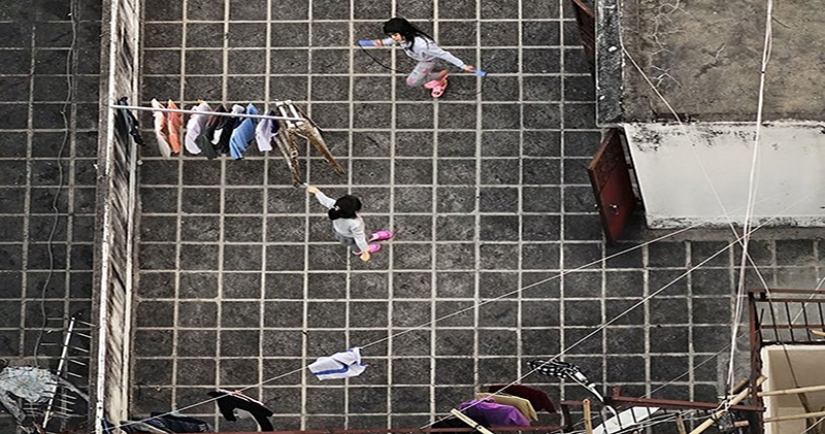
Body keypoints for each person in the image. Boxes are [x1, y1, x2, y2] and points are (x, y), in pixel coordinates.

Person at [364, 17, 475, 98]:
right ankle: (436, 75)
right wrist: (382, 42)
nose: (393, 38)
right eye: (390, 35)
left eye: (394, 35)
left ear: (403, 32)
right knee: (417, 78)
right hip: (421, 58)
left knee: (413, 82)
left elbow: (444, 54)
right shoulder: (404, 37)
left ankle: (440, 78)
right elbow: (393, 40)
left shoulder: (424, 45)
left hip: (427, 61)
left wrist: (463, 66)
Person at [307, 185, 393, 262]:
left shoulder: (335, 207)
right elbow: (359, 238)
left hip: (341, 233)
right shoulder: (355, 223)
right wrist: (365, 251)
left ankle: (370, 238)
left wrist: (317, 192)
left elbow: (325, 200)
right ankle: (360, 251)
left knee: (365, 236)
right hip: (349, 237)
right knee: (357, 244)